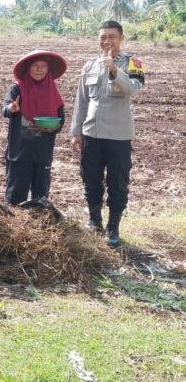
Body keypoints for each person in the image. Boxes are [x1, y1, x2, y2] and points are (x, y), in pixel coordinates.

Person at [70, 21, 145, 247]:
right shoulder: (90, 65)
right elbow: (81, 101)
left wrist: (114, 70)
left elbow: (133, 89)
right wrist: (76, 132)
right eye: (103, 37)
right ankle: (94, 222)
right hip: (92, 133)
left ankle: (113, 228)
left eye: (112, 37)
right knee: (90, 180)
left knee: (118, 183)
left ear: (121, 38)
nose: (107, 41)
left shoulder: (134, 63)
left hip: (119, 136)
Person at [2, 50, 67, 206]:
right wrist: (11, 109)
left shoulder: (52, 90)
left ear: (48, 69)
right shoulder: (17, 88)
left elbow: (61, 118)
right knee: (16, 195)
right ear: (28, 68)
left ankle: (39, 225)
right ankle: (14, 226)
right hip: (20, 152)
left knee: (41, 195)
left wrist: (53, 128)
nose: (39, 69)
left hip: (43, 151)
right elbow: (4, 108)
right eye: (35, 66)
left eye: (43, 66)